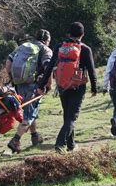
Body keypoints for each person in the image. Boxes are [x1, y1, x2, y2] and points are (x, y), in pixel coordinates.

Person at [37, 22, 97, 154]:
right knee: (72, 117)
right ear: (82, 34)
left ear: (69, 33)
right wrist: (94, 87)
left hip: (62, 85)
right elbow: (92, 70)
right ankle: (60, 144)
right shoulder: (85, 49)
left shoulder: (60, 47)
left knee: (67, 116)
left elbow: (49, 68)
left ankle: (71, 145)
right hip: (78, 86)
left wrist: (41, 85)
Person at [5, 29, 53, 153]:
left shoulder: (23, 47)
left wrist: (13, 78)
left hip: (19, 85)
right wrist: (49, 83)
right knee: (29, 114)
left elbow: (8, 64)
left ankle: (35, 136)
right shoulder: (45, 50)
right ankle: (15, 140)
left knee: (29, 110)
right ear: (47, 40)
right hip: (34, 86)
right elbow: (48, 67)